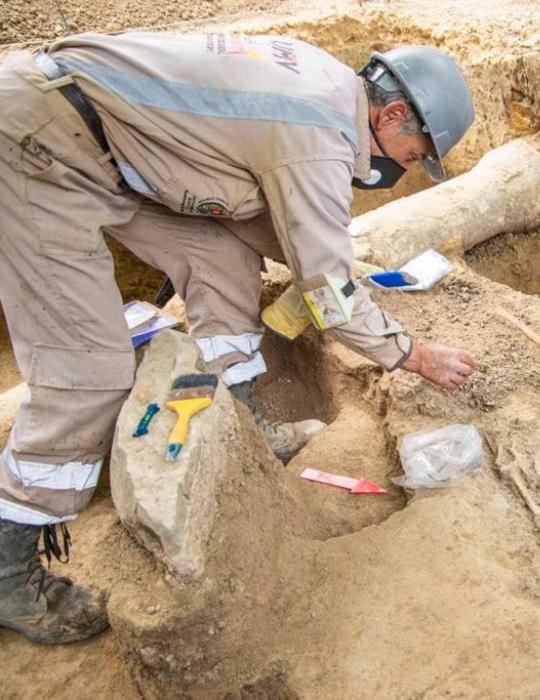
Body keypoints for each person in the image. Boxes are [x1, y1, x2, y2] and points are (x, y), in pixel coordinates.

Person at [0, 31, 478, 644]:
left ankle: (243, 421)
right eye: (414, 155)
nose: (405, 169)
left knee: (220, 256)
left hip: (111, 143)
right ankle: (9, 566)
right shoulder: (319, 140)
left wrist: (323, 268)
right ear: (390, 116)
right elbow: (328, 291)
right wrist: (410, 353)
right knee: (88, 373)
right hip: (41, 145)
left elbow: (282, 233)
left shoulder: (327, 87)